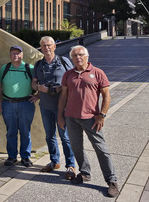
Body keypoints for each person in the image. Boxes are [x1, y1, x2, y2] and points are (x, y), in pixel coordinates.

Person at [58, 45, 119, 198]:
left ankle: (111, 181)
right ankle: (85, 173)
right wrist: (60, 115)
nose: (78, 58)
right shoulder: (68, 74)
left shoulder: (98, 73)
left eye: (80, 55)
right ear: (71, 58)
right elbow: (64, 96)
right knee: (77, 148)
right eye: (74, 56)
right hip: (71, 118)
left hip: (92, 118)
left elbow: (106, 95)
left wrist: (102, 115)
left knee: (101, 149)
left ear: (87, 56)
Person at [31, 36, 76, 179]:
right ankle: (54, 161)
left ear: (54, 46)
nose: (47, 48)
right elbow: (33, 83)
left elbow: (74, 80)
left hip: (62, 106)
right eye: (43, 46)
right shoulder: (38, 64)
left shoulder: (64, 61)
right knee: (49, 136)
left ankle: (70, 165)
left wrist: (61, 88)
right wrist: (39, 88)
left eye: (49, 45)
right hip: (45, 106)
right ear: (41, 48)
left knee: (65, 137)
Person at [0, 45, 35, 167]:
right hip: (8, 104)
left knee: (25, 132)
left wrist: (38, 95)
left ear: (22, 55)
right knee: (11, 132)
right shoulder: (5, 68)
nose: (15, 55)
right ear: (10, 55)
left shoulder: (30, 68)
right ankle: (12, 156)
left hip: (26, 104)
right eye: (13, 53)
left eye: (18, 53)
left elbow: (38, 83)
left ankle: (25, 157)